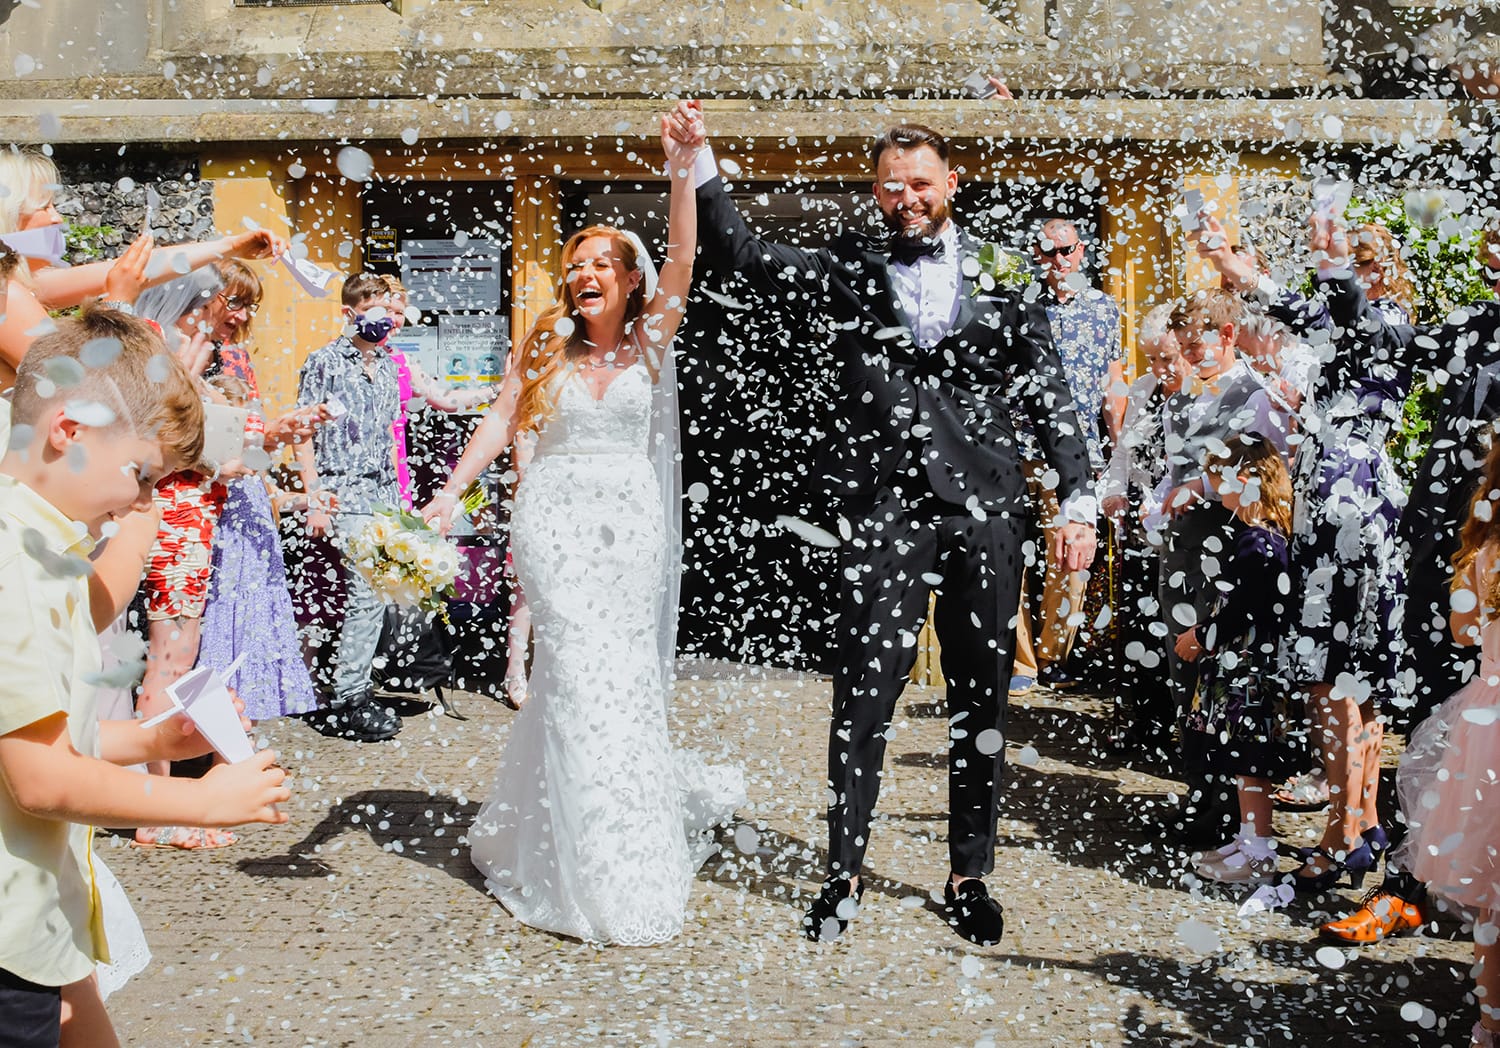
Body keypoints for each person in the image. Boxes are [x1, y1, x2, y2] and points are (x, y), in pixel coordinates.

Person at [675, 104, 1096, 945]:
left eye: (920, 183)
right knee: (863, 696)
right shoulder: (847, 268)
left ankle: (967, 872)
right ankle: (844, 871)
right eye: (890, 186)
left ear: (950, 185)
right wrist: (699, 161)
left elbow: (1049, 396)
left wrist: (1077, 496)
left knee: (982, 699)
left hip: (987, 514)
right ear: (876, 192)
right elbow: (746, 256)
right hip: (883, 515)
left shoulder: (1007, 279)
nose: (905, 197)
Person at [422, 111, 744, 945]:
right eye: (576, 264)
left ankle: (626, 843)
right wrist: (452, 492)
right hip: (556, 523)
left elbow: (684, 255)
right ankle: (571, 858)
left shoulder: (649, 340)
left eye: (603, 263)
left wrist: (682, 168)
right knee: (571, 672)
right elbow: (499, 420)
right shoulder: (545, 347)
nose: (586, 273)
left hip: (629, 530)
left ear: (629, 281)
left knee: (622, 678)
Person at [0, 307, 289, 1047]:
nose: (137, 502)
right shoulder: (16, 562)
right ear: (69, 430)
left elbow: (53, 734)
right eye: (138, 474)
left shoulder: (41, 547)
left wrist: (155, 736)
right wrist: (202, 804)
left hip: (32, 917)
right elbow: (38, 780)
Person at [130, 262, 322, 848]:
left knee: (178, 659)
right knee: (169, 662)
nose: (238, 316)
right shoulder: (174, 355)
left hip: (201, 515)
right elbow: (165, 438)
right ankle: (152, 812)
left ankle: (163, 806)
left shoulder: (201, 355)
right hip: (181, 518)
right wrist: (224, 464)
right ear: (201, 300)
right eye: (230, 302)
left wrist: (261, 444)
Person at [1397, 442, 1500, 1048]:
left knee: (1492, 907)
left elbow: (1462, 633)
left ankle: (1488, 1030)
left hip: (1486, 725)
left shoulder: (1484, 553)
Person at [1010, 217, 1122, 695]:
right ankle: (1021, 662)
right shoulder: (1018, 307)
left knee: (1070, 560)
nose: (1059, 261)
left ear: (1081, 251)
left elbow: (1112, 385)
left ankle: (1055, 655)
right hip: (1017, 448)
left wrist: (1119, 455)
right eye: (1049, 252)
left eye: (1067, 251)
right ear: (1036, 256)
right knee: (1011, 556)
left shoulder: (1104, 309)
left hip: (1078, 455)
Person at [1176, 437, 1295, 884]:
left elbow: (1248, 606)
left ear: (1244, 481)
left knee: (1251, 760)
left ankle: (1259, 853)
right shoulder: (1265, 535)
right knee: (1247, 761)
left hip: (1248, 670)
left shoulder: (1256, 542)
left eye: (1218, 479)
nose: (1213, 489)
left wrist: (1203, 635)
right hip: (1248, 667)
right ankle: (1249, 840)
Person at [294, 272, 405, 743]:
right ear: (350, 313)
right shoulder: (323, 362)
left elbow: (386, 441)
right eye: (375, 313)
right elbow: (302, 432)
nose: (385, 322)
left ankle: (354, 688)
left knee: (381, 591)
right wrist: (316, 497)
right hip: (343, 494)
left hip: (382, 498)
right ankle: (347, 698)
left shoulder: (385, 366)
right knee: (367, 594)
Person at [195, 372, 318, 723]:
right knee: (227, 636)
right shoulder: (215, 469)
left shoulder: (254, 465)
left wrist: (311, 499)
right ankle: (223, 724)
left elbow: (278, 499)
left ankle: (245, 722)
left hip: (261, 571)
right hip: (232, 571)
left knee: (254, 639)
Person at [1099, 304, 1184, 760]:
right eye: (1153, 358)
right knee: (1140, 629)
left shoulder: (1203, 393)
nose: (1160, 368)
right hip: (1140, 525)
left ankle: (1184, 730)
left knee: (1179, 633)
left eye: (1168, 358)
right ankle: (1147, 724)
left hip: (1184, 530)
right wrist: (1113, 493)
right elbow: (1121, 457)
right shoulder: (1144, 389)